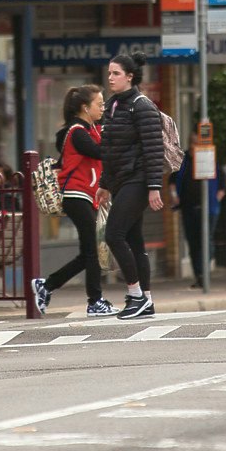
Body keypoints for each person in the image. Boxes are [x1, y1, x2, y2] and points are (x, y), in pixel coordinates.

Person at [30, 84, 115, 317]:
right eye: (99, 104)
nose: (103, 108)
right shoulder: (78, 131)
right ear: (85, 108)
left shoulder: (92, 129)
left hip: (87, 196)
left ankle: (46, 286)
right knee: (94, 250)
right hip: (75, 195)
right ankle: (95, 301)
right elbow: (99, 152)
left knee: (89, 251)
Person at [99, 51, 165, 320]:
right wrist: (105, 184)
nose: (110, 78)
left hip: (137, 180)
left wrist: (153, 186)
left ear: (130, 76)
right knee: (135, 240)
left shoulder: (142, 106)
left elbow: (153, 149)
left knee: (114, 234)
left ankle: (135, 294)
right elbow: (110, 150)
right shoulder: (114, 105)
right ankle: (146, 301)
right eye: (109, 73)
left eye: (116, 73)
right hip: (121, 180)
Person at [174, 160, 225, 288]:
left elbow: (222, 185)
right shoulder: (184, 161)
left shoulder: (211, 158)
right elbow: (173, 180)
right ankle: (199, 275)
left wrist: (216, 199)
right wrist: (174, 195)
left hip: (210, 209)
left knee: (207, 241)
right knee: (193, 242)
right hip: (189, 208)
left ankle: (203, 272)